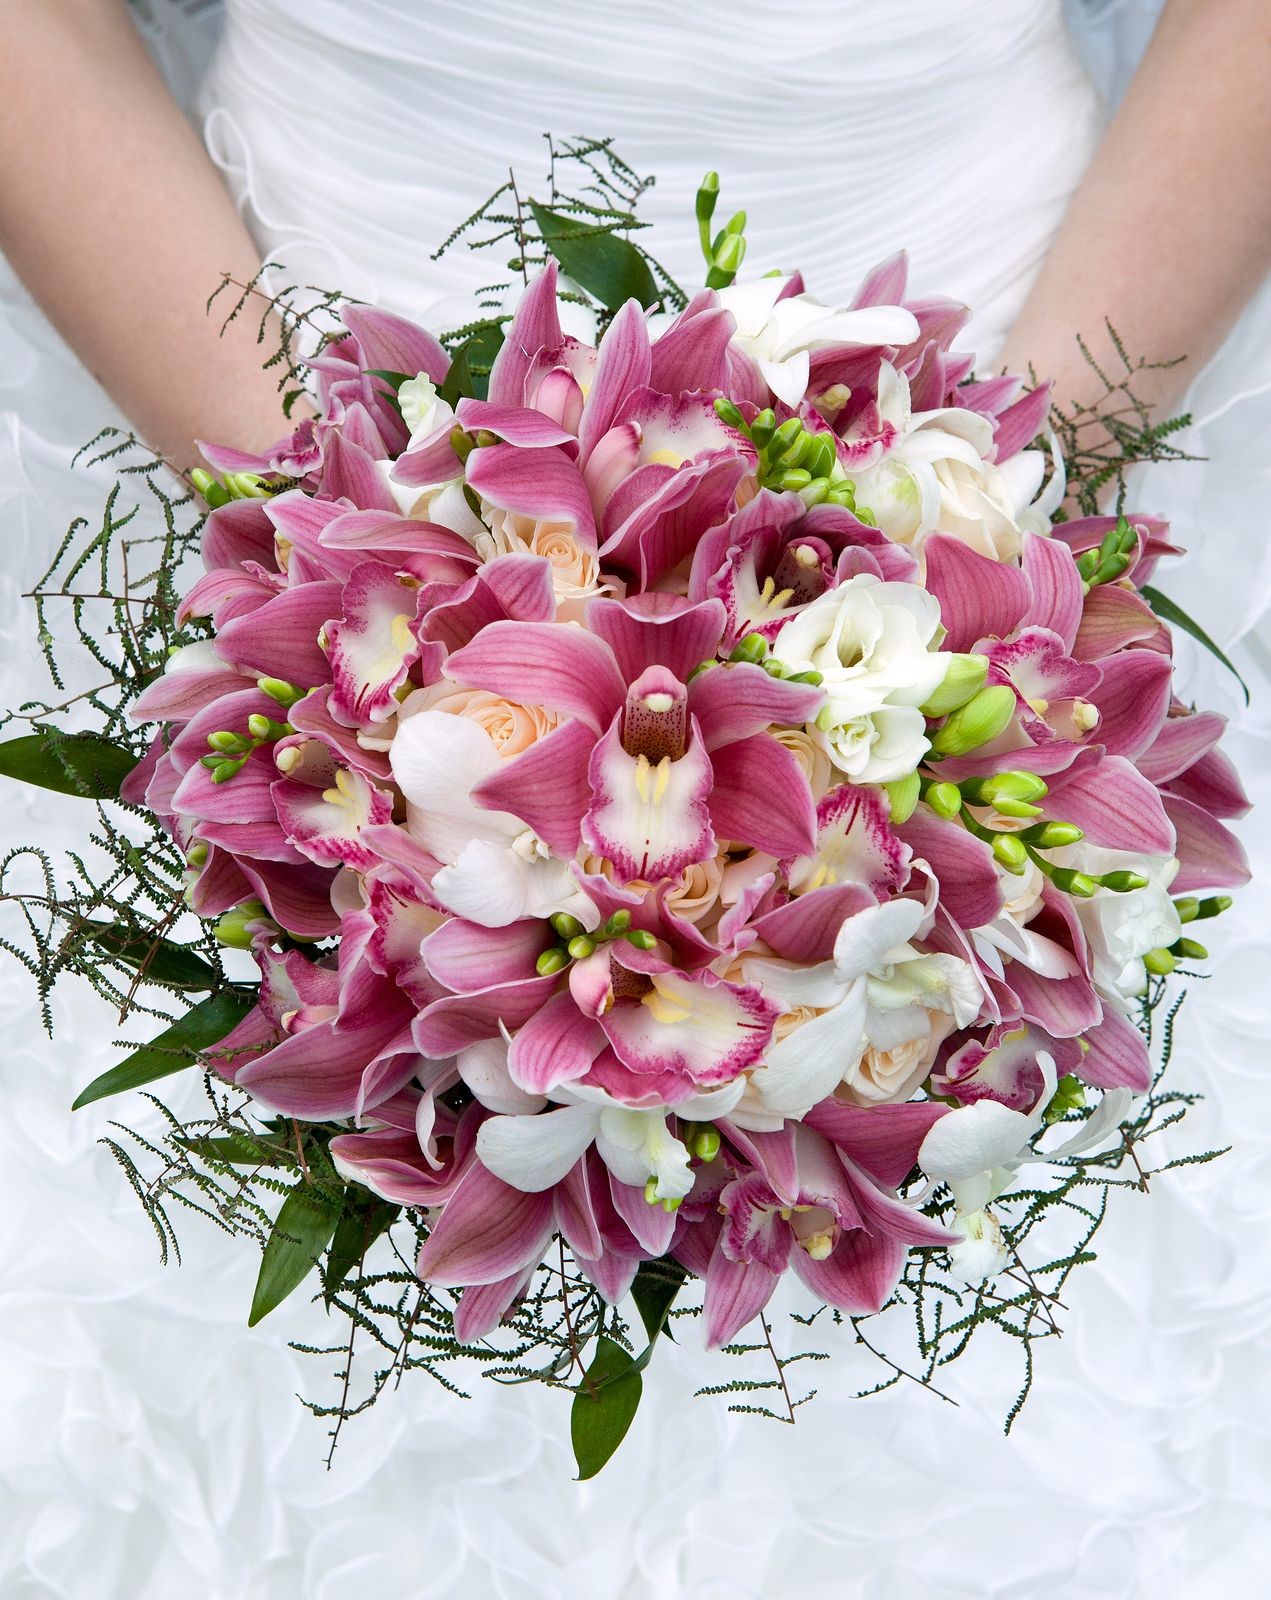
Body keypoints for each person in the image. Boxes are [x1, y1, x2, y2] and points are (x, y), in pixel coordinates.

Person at [0, 3, 1268, 1596]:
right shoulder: (333, 584)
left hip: (1035, 402)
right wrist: (336, 552)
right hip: (250, 398)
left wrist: (1007, 529)